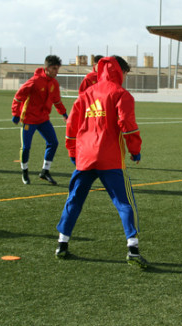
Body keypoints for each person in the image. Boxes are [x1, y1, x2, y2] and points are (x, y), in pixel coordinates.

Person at [55, 56, 148, 268]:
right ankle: (132, 248)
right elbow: (128, 124)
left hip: (85, 156)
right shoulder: (121, 94)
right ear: (120, 71)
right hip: (110, 157)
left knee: (74, 199)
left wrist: (72, 151)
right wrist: (135, 150)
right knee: (124, 202)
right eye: (126, 73)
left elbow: (71, 125)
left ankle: (62, 244)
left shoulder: (86, 93)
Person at [11, 55, 68, 185]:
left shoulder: (54, 83)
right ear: (46, 68)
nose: (56, 71)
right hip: (29, 120)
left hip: (43, 120)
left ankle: (45, 171)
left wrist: (64, 113)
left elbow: (57, 100)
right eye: (54, 68)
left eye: (57, 68)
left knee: (53, 142)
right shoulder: (34, 81)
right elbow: (18, 96)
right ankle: (25, 171)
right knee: (26, 147)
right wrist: (16, 113)